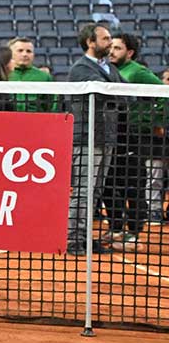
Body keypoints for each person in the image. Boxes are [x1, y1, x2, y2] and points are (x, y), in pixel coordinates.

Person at [66, 23, 122, 255]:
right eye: (105, 39)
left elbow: (123, 92)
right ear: (91, 42)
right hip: (86, 138)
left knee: (95, 191)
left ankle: (85, 238)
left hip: (106, 137)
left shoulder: (109, 67)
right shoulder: (80, 69)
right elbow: (108, 92)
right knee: (83, 190)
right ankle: (73, 240)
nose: (110, 43)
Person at [105, 32, 164, 245]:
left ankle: (134, 232)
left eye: (117, 48)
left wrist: (153, 121)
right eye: (110, 46)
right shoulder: (107, 70)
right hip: (113, 136)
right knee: (109, 185)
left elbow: (163, 94)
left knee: (133, 186)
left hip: (135, 138)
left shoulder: (138, 72)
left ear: (129, 52)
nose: (111, 51)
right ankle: (115, 228)